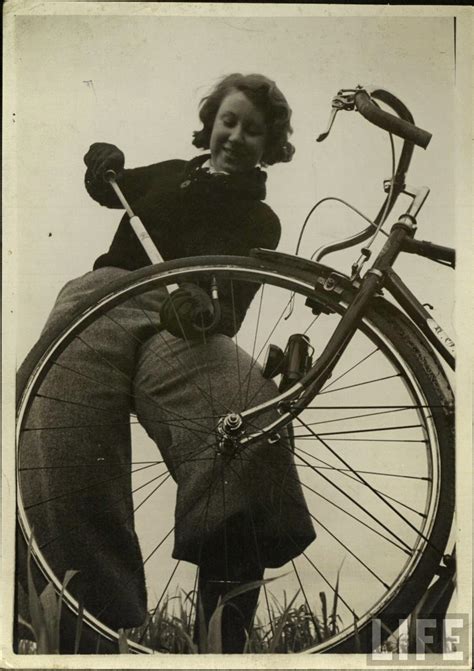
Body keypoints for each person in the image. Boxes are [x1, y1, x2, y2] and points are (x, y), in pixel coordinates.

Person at [18, 73, 315, 654]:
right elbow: (111, 186)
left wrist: (205, 308)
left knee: (246, 415)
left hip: (179, 322)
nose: (235, 136)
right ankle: (79, 630)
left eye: (253, 130)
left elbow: (229, 307)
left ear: (270, 146)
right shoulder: (166, 173)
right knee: (61, 426)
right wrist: (103, 161)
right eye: (228, 121)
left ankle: (223, 633)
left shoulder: (261, 221)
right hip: (105, 297)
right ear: (211, 124)